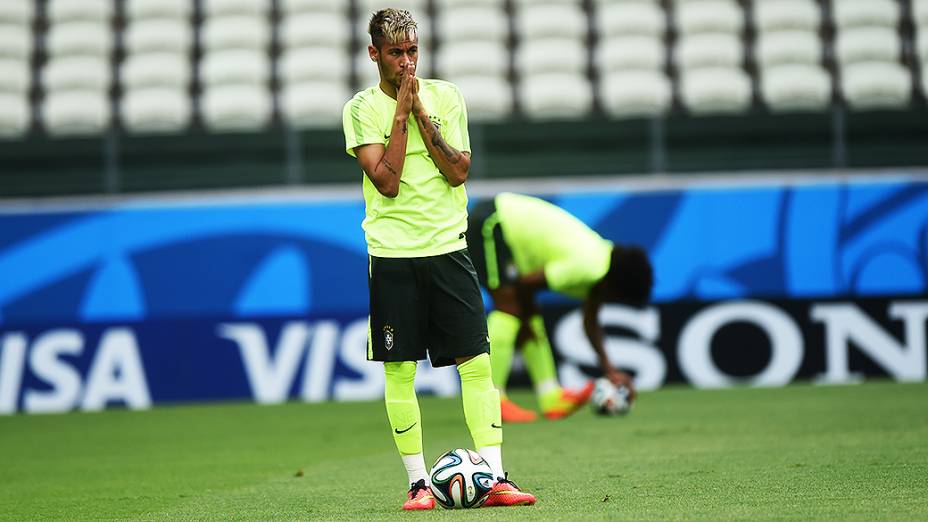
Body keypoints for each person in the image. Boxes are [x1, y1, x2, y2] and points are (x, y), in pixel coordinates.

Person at [342, 9, 535, 511]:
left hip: (449, 249)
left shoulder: (447, 97)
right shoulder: (361, 110)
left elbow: (458, 171)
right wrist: (401, 113)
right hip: (392, 255)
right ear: (374, 55)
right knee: (399, 372)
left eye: (412, 51)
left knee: (477, 364)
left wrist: (421, 110)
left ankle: (493, 477)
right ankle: (417, 484)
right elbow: (385, 181)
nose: (406, 62)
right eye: (395, 53)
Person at [466, 192, 654, 423]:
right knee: (509, 306)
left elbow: (590, 320)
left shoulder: (603, 266)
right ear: (619, 287)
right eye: (618, 298)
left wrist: (609, 370)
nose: (611, 302)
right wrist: (523, 323)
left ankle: (550, 397)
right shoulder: (588, 267)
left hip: (506, 228)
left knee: (528, 313)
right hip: (492, 220)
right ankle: (493, 401)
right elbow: (525, 284)